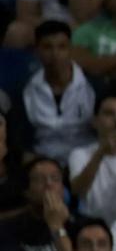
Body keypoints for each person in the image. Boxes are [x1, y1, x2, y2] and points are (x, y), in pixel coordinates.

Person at [0, 156, 76, 251]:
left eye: (55, 178)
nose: (49, 184)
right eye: (40, 180)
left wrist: (56, 227)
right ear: (27, 191)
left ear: (63, 187)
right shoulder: (9, 227)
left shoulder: (80, 224)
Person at [24, 23, 99, 167]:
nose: (55, 54)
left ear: (70, 49)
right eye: (47, 47)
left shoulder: (94, 86)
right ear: (37, 51)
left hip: (85, 161)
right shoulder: (25, 90)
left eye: (61, 47)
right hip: (42, 161)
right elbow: (23, 139)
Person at [67, 95, 116, 224]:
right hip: (92, 224)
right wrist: (101, 152)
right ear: (95, 121)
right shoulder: (80, 154)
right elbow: (77, 191)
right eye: (109, 113)